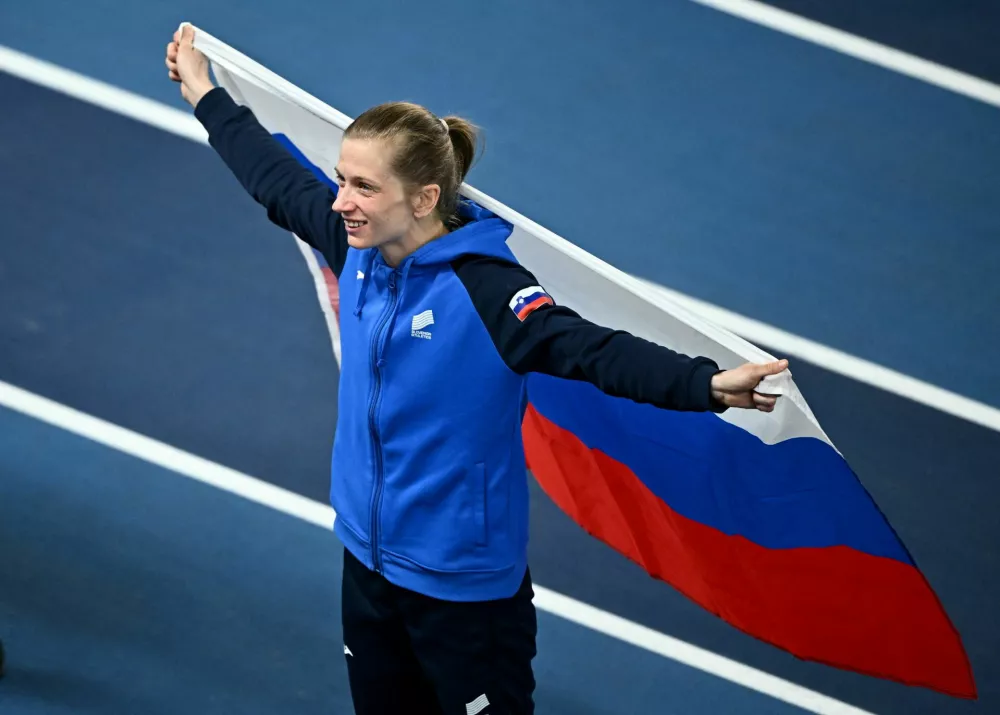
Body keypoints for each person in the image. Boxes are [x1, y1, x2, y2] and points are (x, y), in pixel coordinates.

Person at [166, 26, 788, 715]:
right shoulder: (359, 252)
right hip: (368, 569)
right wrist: (202, 89)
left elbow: (589, 350)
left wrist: (703, 384)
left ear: (425, 198)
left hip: (464, 592)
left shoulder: (488, 291)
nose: (341, 199)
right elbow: (274, 178)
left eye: (363, 186)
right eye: (342, 179)